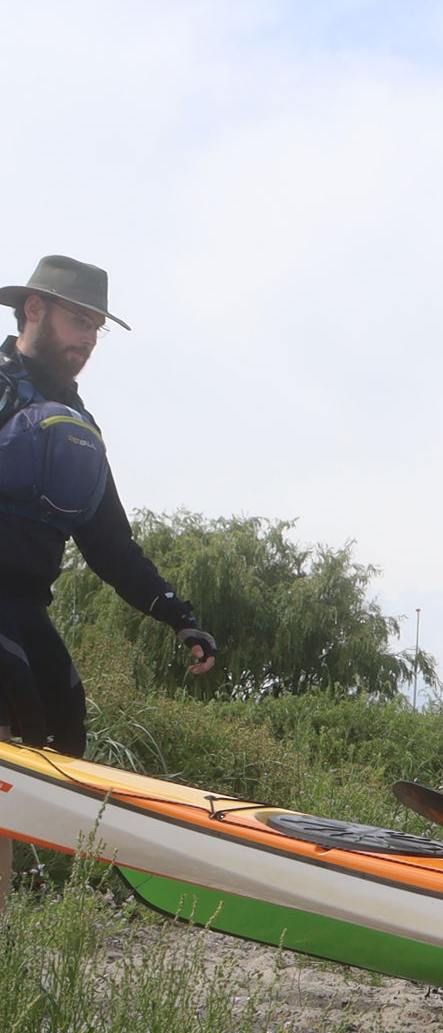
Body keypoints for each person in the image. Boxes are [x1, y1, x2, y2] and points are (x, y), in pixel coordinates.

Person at [0, 254, 218, 754]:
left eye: (97, 328)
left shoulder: (79, 429)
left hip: (26, 610)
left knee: (64, 726)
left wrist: (179, 617)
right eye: (79, 321)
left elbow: (111, 545)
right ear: (33, 308)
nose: (90, 338)